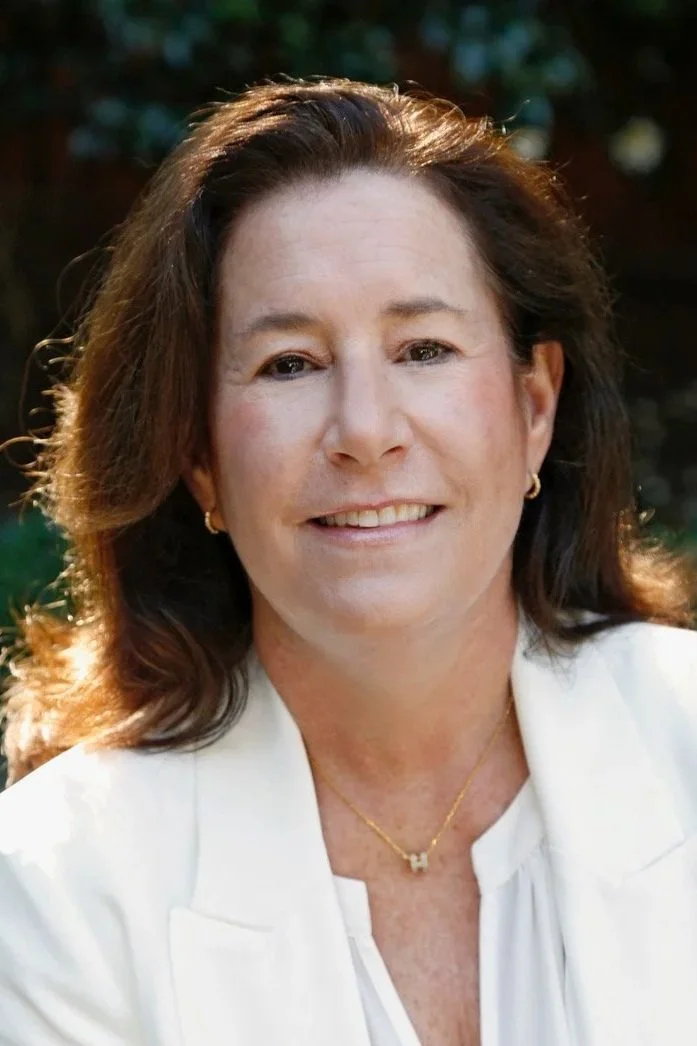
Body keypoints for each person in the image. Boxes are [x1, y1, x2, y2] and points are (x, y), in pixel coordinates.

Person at [1, 77, 696, 1046]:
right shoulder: (55, 890)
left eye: (423, 348)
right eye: (289, 363)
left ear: (535, 406)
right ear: (196, 453)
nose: (364, 432)